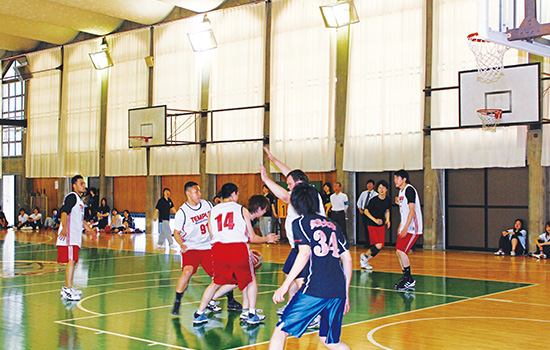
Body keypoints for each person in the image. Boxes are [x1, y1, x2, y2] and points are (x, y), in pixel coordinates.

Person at [269, 183, 352, 350]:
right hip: (337, 291)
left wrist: (285, 286)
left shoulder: (300, 222)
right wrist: (346, 294)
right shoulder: (333, 225)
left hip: (314, 289)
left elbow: (304, 253)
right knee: (330, 341)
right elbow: (348, 260)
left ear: (295, 203)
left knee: (280, 330)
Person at [193, 183, 278, 326]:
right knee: (250, 280)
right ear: (233, 194)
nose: (238, 197)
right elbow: (252, 237)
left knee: (215, 282)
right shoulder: (241, 209)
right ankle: (251, 313)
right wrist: (266, 239)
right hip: (237, 247)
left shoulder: (211, 212)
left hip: (218, 249)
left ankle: (199, 313)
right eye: (237, 194)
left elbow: (212, 234)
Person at [259, 146, 325, 319]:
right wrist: (273, 160)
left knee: (301, 279)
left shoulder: (301, 193)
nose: (288, 187)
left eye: (289, 184)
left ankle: (312, 313)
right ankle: (291, 306)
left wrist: (266, 179)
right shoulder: (306, 188)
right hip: (299, 244)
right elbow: (292, 175)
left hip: (307, 244)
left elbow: (285, 197)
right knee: (291, 273)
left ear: (297, 184)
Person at [171, 181, 241, 316]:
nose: (200, 194)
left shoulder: (207, 205)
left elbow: (214, 219)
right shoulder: (182, 212)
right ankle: (177, 302)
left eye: (199, 191)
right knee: (187, 272)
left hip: (208, 246)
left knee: (222, 274)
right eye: (196, 191)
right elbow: (176, 233)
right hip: (191, 248)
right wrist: (181, 245)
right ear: (188, 194)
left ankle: (230, 300)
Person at [57, 175, 95, 301]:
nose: (83, 185)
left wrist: (90, 231)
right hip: (69, 235)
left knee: (73, 261)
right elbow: (64, 211)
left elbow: (81, 220)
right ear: (74, 185)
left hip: (75, 236)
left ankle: (69, 287)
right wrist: (64, 227)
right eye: (81, 183)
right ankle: (67, 289)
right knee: (71, 260)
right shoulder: (72, 197)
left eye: (84, 183)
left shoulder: (79, 201)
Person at [394, 169, 423, 291]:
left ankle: (409, 279)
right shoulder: (401, 192)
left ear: (404, 179)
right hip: (406, 226)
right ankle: (406, 278)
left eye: (397, 178)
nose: (395, 180)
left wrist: (406, 228)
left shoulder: (409, 190)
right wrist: (401, 225)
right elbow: (404, 212)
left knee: (401, 251)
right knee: (398, 251)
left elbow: (412, 211)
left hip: (413, 227)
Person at [360, 180, 391, 270]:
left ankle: (365, 260)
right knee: (377, 245)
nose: (381, 189)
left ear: (386, 190)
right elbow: (366, 211)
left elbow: (387, 210)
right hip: (371, 224)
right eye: (380, 187)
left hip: (381, 225)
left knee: (379, 246)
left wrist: (388, 219)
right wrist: (375, 220)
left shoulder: (387, 200)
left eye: (383, 188)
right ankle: (364, 255)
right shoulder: (374, 200)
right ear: (377, 189)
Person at [357, 179, 378, 247]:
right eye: (368, 184)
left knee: (372, 229)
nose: (369, 185)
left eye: (371, 184)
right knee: (366, 228)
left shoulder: (376, 194)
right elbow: (359, 202)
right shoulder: (363, 193)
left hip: (372, 214)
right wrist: (360, 209)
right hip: (364, 213)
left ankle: (373, 243)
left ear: (373, 186)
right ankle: (368, 243)